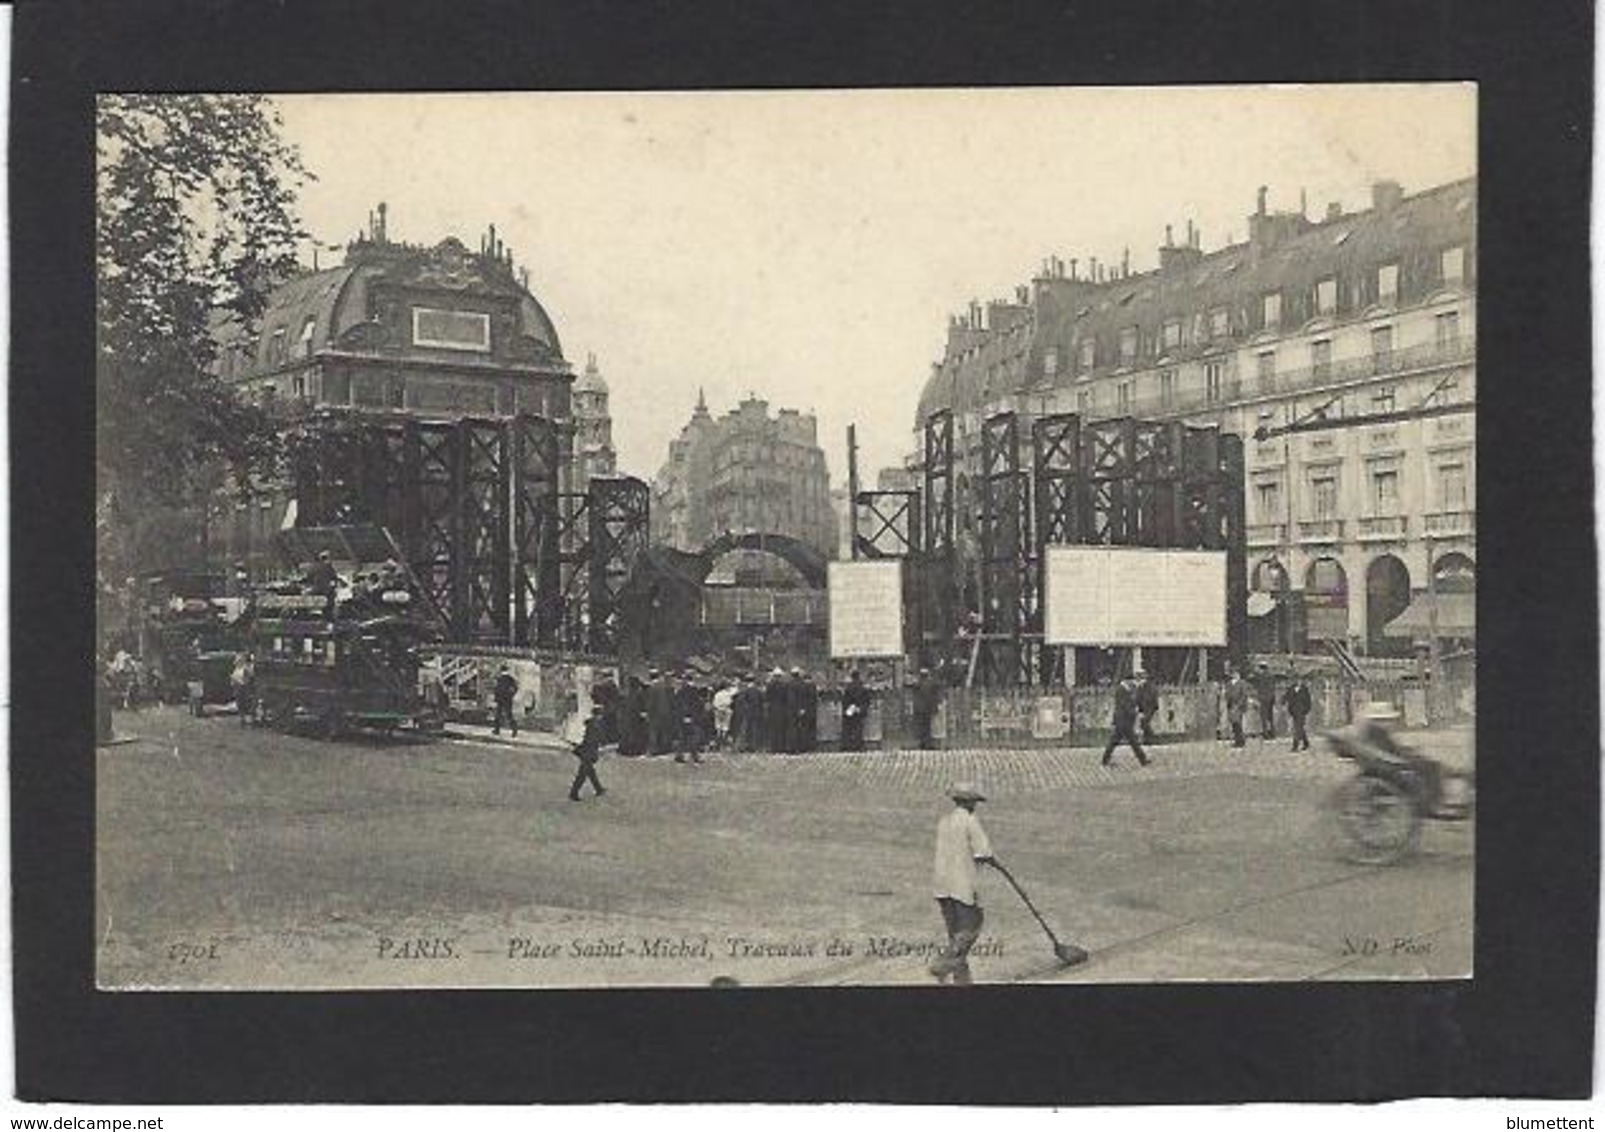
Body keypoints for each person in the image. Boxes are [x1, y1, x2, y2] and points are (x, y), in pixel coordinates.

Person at [929, 782, 996, 986]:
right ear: (970, 802)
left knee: (954, 931)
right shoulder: (969, 820)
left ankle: (962, 980)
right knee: (972, 924)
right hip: (962, 884)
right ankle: (943, 962)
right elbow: (982, 851)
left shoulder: (944, 821)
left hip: (941, 885)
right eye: (974, 801)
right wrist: (990, 859)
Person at [1101, 673, 1151, 767]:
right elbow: (1124, 705)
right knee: (1131, 741)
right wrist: (1135, 711)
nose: (1133, 683)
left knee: (1118, 741)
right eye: (1131, 681)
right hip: (1122, 720)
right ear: (1127, 681)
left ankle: (1105, 760)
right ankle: (1143, 760)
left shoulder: (1126, 689)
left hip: (1125, 721)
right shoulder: (1121, 690)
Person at [567, 703, 609, 802]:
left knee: (590, 771)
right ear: (599, 714)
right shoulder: (596, 725)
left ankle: (598, 789)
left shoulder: (591, 723)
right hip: (588, 751)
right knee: (583, 773)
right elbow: (595, 739)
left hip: (585, 750)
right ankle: (573, 793)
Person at [646, 669, 677, 756]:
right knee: (664, 731)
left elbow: (651, 702)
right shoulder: (664, 686)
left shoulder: (652, 687)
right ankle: (665, 748)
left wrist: (648, 712)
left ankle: (653, 749)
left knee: (653, 731)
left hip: (655, 713)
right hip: (665, 711)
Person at [911, 667, 943, 750]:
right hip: (927, 709)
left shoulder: (918, 684)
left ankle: (923, 742)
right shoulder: (930, 684)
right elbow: (935, 695)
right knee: (927, 726)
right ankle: (927, 743)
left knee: (922, 726)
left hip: (920, 709)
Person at [839, 670, 871, 752]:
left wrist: (848, 708)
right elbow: (867, 700)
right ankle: (858, 745)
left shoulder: (848, 688)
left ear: (851, 677)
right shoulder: (863, 688)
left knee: (848, 728)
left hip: (849, 710)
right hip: (859, 710)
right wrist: (861, 708)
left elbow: (845, 700)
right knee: (858, 728)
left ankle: (848, 745)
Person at [764, 668, 792, 753]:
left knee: (773, 729)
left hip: (772, 708)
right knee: (782, 728)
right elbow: (787, 698)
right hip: (782, 709)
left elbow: (767, 697)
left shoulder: (770, 685)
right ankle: (781, 747)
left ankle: (773, 747)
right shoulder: (785, 685)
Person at [1284, 673, 1313, 752]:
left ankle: (1295, 746)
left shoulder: (1305, 690)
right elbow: (1285, 697)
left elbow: (1308, 701)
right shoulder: (1291, 688)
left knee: (1297, 728)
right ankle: (1306, 742)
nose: (1298, 681)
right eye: (1296, 680)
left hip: (1302, 711)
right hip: (1293, 711)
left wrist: (1306, 710)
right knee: (1300, 728)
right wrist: (1284, 703)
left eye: (1299, 680)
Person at [794, 668, 818, 753]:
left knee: (804, 729)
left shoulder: (803, 686)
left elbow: (802, 699)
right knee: (812, 729)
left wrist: (802, 709)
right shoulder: (813, 686)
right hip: (813, 711)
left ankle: (804, 746)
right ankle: (812, 747)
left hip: (805, 710)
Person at [1224, 669, 1250, 748]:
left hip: (1239, 706)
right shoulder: (1229, 684)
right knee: (1233, 724)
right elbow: (1227, 694)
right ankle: (1236, 740)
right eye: (1233, 674)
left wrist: (1239, 704)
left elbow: (1244, 695)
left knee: (1238, 723)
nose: (1235, 675)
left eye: (1236, 674)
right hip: (1231, 705)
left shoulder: (1242, 683)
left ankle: (1241, 741)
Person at [492, 665, 519, 737]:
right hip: (508, 699)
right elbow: (516, 688)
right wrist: (511, 695)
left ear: (501, 670)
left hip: (500, 699)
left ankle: (497, 730)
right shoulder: (510, 679)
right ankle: (514, 730)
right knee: (509, 715)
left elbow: (496, 689)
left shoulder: (499, 679)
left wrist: (496, 698)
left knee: (498, 715)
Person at [1134, 668, 1160, 743]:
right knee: (1143, 723)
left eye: (1140, 677)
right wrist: (1139, 709)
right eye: (1138, 677)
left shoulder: (1150, 686)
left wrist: (1154, 708)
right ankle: (1149, 738)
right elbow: (1138, 699)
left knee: (1144, 722)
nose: (1139, 679)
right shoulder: (1139, 687)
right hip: (1143, 708)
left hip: (1150, 708)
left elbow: (1153, 697)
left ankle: (1151, 737)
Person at [1253, 663, 1278, 739]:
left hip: (1264, 699)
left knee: (1263, 717)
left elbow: (1261, 688)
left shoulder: (1261, 677)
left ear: (1261, 669)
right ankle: (1273, 733)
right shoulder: (1271, 676)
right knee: (1270, 717)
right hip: (1271, 698)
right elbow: (1273, 688)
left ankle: (1266, 733)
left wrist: (1258, 698)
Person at [712, 679, 737, 751]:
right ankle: (723, 741)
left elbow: (714, 703)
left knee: (718, 726)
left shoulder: (717, 694)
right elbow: (730, 702)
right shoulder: (728, 694)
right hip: (726, 709)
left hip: (718, 710)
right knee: (725, 726)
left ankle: (718, 742)